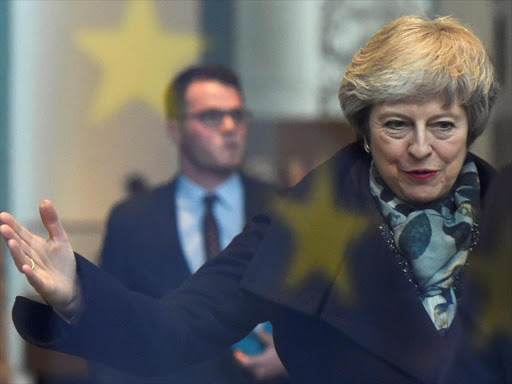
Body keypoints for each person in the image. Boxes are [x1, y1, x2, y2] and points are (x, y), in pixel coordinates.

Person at [2, 15, 511, 383]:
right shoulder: (297, 224)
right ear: (364, 128)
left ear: (471, 126)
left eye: (443, 125)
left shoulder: (504, 217)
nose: (421, 147)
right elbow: (173, 332)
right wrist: (75, 294)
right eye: (396, 124)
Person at [93, 65, 287, 383]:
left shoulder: (286, 209)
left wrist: (291, 356)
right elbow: (112, 331)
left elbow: (328, 313)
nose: (229, 127)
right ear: (176, 129)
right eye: (212, 116)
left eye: (237, 115)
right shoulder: (131, 220)